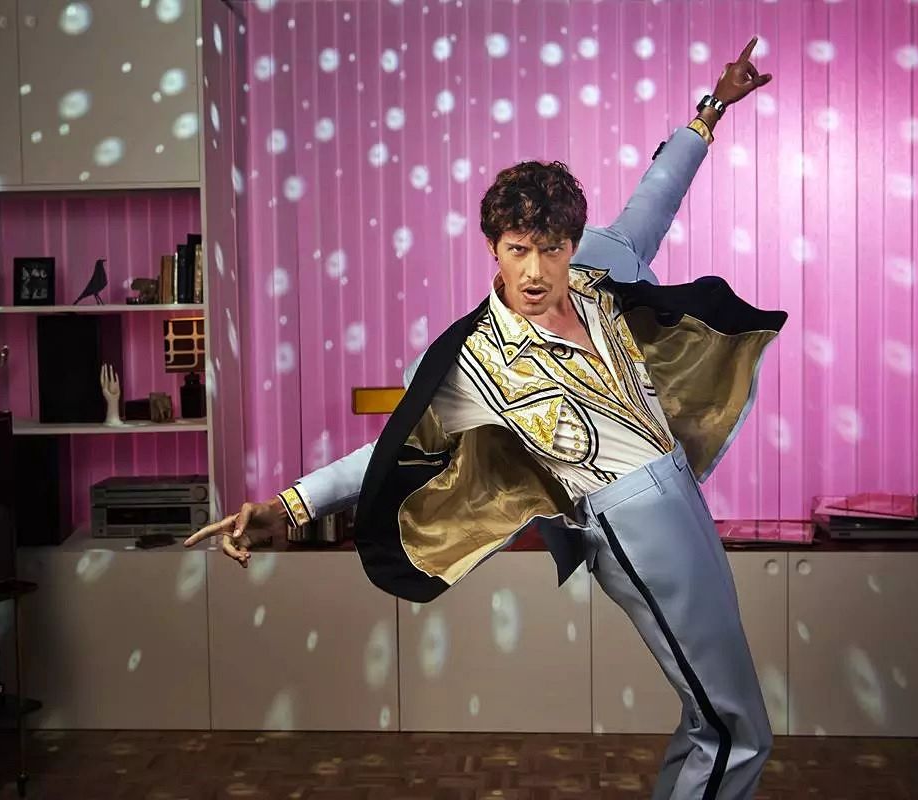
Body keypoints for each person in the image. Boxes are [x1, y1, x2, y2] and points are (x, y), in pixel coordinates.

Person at [188, 38, 780, 800]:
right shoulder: (471, 359)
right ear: (493, 247)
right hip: (627, 519)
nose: (534, 271)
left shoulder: (600, 269)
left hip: (679, 491)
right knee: (732, 724)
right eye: (517, 249)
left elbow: (653, 199)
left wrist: (712, 110)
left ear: (573, 244)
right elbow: (383, 452)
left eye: (551, 250)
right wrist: (287, 507)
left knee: (715, 715)